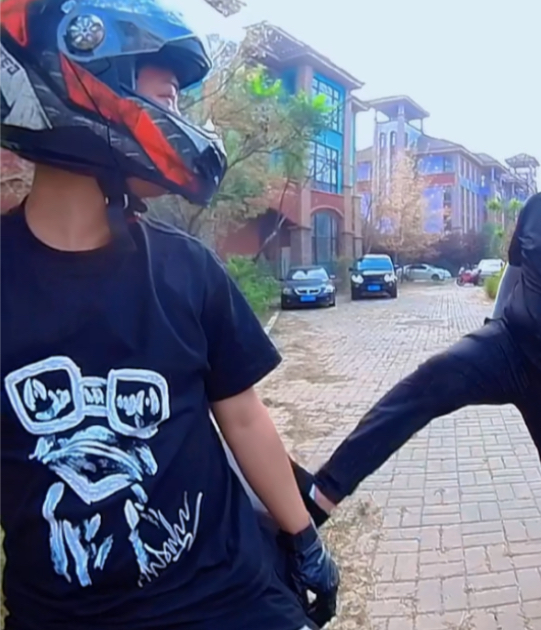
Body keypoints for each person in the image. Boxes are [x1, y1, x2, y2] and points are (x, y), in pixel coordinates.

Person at [0, 1, 338, 629]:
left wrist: (303, 537)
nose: (179, 120)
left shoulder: (188, 269)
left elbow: (243, 417)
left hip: (226, 594)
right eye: (168, 98)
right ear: (86, 80)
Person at [297, 104, 541, 629]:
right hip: (509, 345)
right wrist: (492, 330)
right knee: (423, 385)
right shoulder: (537, 208)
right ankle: (323, 494)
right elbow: (514, 273)